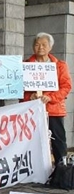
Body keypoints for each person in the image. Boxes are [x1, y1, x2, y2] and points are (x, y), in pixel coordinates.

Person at [23, 32, 72, 164]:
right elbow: (18, 89)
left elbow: (66, 87)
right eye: (37, 44)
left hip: (54, 109)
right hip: (33, 110)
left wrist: (50, 97)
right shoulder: (26, 65)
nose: (40, 48)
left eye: (44, 45)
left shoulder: (60, 65)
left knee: (58, 140)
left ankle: (61, 169)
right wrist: (29, 96)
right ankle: (35, 168)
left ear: (50, 47)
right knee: (33, 140)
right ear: (33, 46)